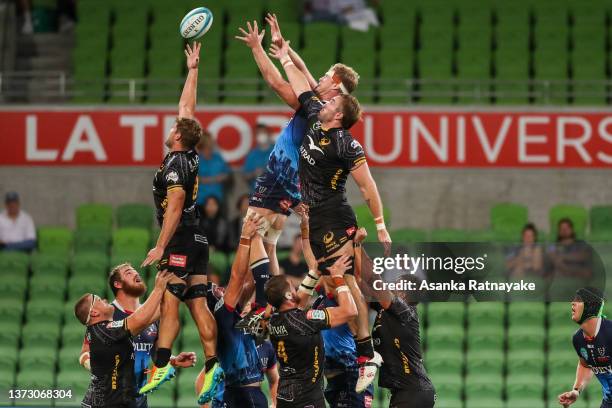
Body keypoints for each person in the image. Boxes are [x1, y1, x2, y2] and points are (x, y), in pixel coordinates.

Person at [269, 35, 392, 391]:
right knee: (340, 280)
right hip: (320, 217)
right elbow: (300, 83)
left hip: (335, 217)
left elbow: (368, 187)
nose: (325, 99)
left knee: (344, 281)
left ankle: (368, 355)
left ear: (338, 114)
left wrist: (381, 225)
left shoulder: (346, 144)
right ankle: (367, 352)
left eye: (333, 99)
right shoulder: (315, 117)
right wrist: (284, 54)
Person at [234, 14, 360, 326]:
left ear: (335, 86)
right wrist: (284, 49)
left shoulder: (316, 108)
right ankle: (271, 303)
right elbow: (302, 71)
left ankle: (266, 305)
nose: (320, 74)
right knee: (270, 241)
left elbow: (277, 82)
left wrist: (256, 49)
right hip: (295, 180)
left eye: (327, 74)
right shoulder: (325, 107)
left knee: (251, 230)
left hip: (282, 174)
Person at [140, 42, 223, 404]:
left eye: (175, 126)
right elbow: (187, 108)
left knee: (169, 302)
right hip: (198, 238)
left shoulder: (175, 165)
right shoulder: (188, 152)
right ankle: (213, 363)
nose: (173, 125)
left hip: (180, 238)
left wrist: (161, 244)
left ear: (177, 136)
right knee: (198, 302)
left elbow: (173, 209)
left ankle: (161, 363)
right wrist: (192, 70)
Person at [79, 263, 197, 408]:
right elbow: (85, 352)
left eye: (136, 271)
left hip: (137, 398)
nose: (136, 274)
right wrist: (96, 366)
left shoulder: (152, 314)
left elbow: (153, 351)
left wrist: (172, 360)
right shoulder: (104, 319)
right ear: (117, 284)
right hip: (109, 397)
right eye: (128, 272)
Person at [193, 213, 276, 408]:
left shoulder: (230, 317)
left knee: (266, 297)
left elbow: (250, 280)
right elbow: (237, 278)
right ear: (214, 300)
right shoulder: (221, 314)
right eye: (218, 290)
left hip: (249, 393)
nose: (222, 289)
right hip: (243, 395)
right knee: (265, 306)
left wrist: (262, 238)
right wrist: (246, 238)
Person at [356, 228, 436, 408]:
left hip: (413, 392)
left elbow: (373, 281)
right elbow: (362, 282)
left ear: (404, 293)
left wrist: (358, 245)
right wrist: (348, 250)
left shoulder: (405, 311)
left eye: (396, 284)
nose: (390, 285)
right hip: (405, 392)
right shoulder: (389, 310)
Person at [264, 254, 358, 408]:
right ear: (288, 295)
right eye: (292, 287)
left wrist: (314, 273)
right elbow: (350, 311)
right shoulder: (306, 319)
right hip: (307, 399)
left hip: (284, 397)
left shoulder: (274, 319)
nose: (296, 288)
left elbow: (296, 302)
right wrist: (338, 278)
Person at [558, 287, 611, 408]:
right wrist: (576, 390)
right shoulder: (578, 338)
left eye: (578, 300)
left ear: (590, 306)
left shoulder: (610, 333)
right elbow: (585, 365)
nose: (572, 302)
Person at [196, 130, 232, 206]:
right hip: (201, 200)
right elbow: (194, 179)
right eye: (208, 145)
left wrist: (224, 177)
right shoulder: (197, 160)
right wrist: (214, 179)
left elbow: (228, 174)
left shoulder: (218, 158)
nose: (210, 147)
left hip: (218, 198)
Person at [242, 123, 274, 191]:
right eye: (258, 133)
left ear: (269, 134)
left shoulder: (278, 151)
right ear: (255, 136)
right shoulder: (252, 155)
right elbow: (245, 176)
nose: (261, 136)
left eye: (263, 133)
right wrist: (253, 174)